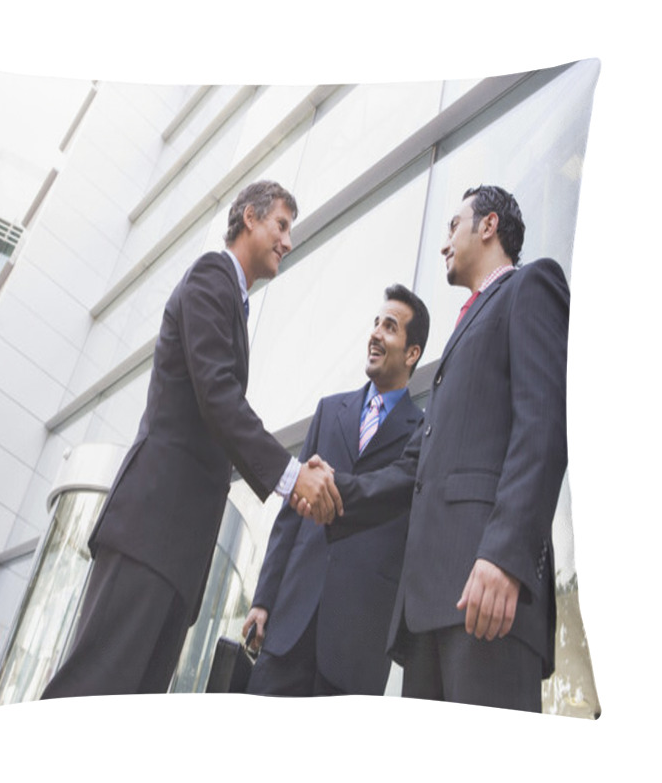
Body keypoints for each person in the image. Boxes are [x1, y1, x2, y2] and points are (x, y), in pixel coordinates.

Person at [41, 181, 342, 699]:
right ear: (249, 217)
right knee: (92, 692)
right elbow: (218, 396)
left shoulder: (235, 300)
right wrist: (293, 477)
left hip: (177, 551)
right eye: (281, 225)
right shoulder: (211, 277)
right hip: (150, 533)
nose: (288, 242)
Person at [302, 185, 569, 712]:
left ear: (488, 226)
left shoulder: (530, 287)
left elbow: (543, 425)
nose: (445, 242)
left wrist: (504, 556)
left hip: (487, 593)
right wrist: (335, 490)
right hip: (429, 612)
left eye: (453, 226)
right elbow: (417, 468)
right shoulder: (465, 326)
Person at [241, 284, 429, 696]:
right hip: (289, 621)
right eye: (375, 323)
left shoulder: (423, 433)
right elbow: (290, 517)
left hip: (358, 642)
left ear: (412, 353)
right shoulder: (329, 410)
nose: (376, 333)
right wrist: (263, 599)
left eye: (390, 327)